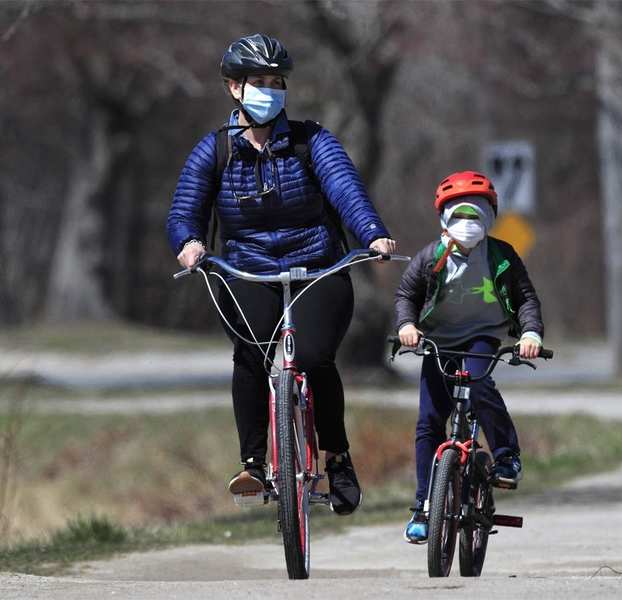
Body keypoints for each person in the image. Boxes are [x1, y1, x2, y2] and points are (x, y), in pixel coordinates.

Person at [166, 34, 395, 516]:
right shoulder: (215, 151)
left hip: (317, 266)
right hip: (246, 270)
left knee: (314, 357)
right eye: (258, 82)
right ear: (234, 88)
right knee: (250, 356)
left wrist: (372, 234)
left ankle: (338, 458)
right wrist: (189, 243)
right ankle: (252, 462)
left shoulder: (313, 141)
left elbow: (345, 190)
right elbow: (184, 210)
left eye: (277, 82)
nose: (269, 91)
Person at [393, 171, 544, 543]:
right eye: (459, 215)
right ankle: (425, 507)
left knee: (477, 384)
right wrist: (406, 326)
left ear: (490, 218)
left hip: (482, 336)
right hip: (438, 340)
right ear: (443, 218)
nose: (468, 224)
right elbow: (406, 295)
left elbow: (525, 297)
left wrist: (530, 333)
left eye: (476, 215)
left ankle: (507, 455)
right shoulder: (431, 257)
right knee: (429, 421)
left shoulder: (501, 256)